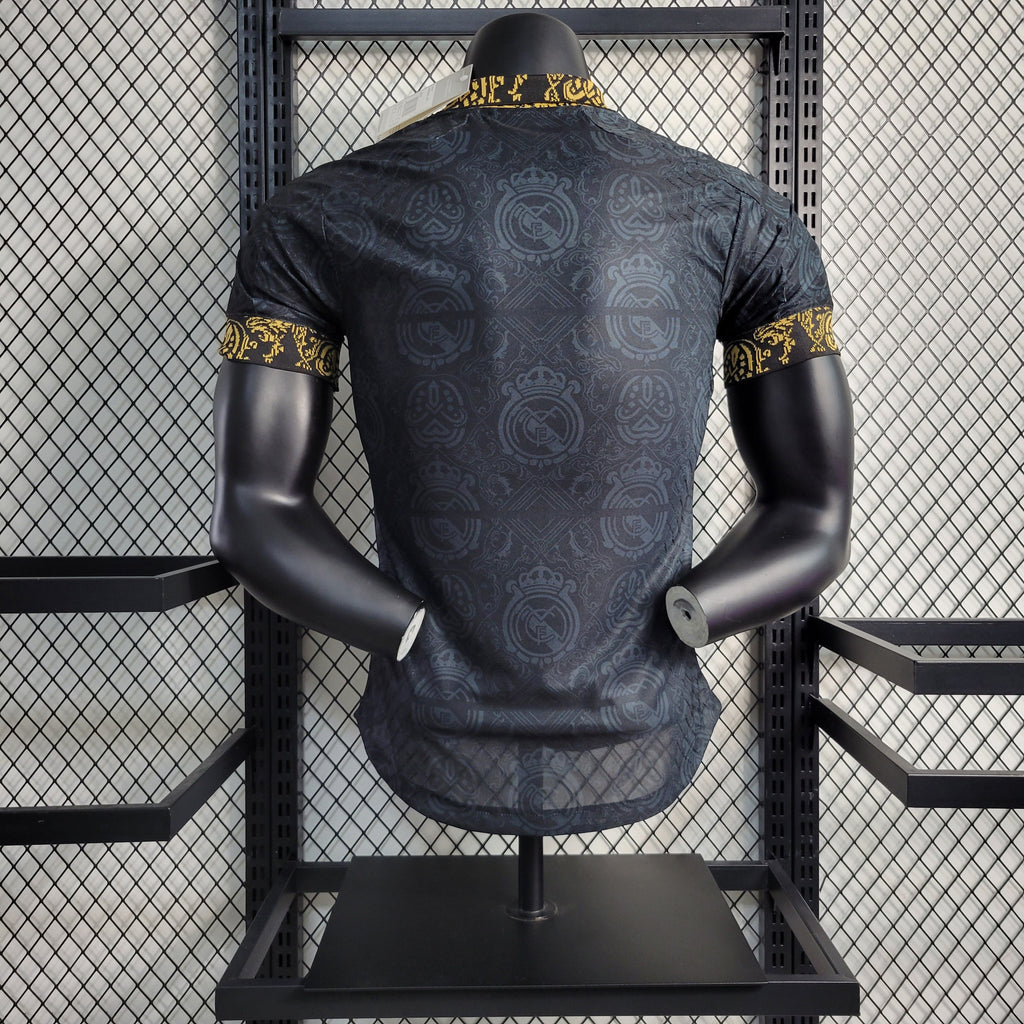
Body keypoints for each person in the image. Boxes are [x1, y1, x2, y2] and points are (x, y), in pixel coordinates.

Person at [211, 12, 853, 835]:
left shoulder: (317, 213)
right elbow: (813, 513)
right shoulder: (739, 215)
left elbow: (256, 511)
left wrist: (394, 625)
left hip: (448, 702)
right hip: (622, 706)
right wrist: (699, 611)